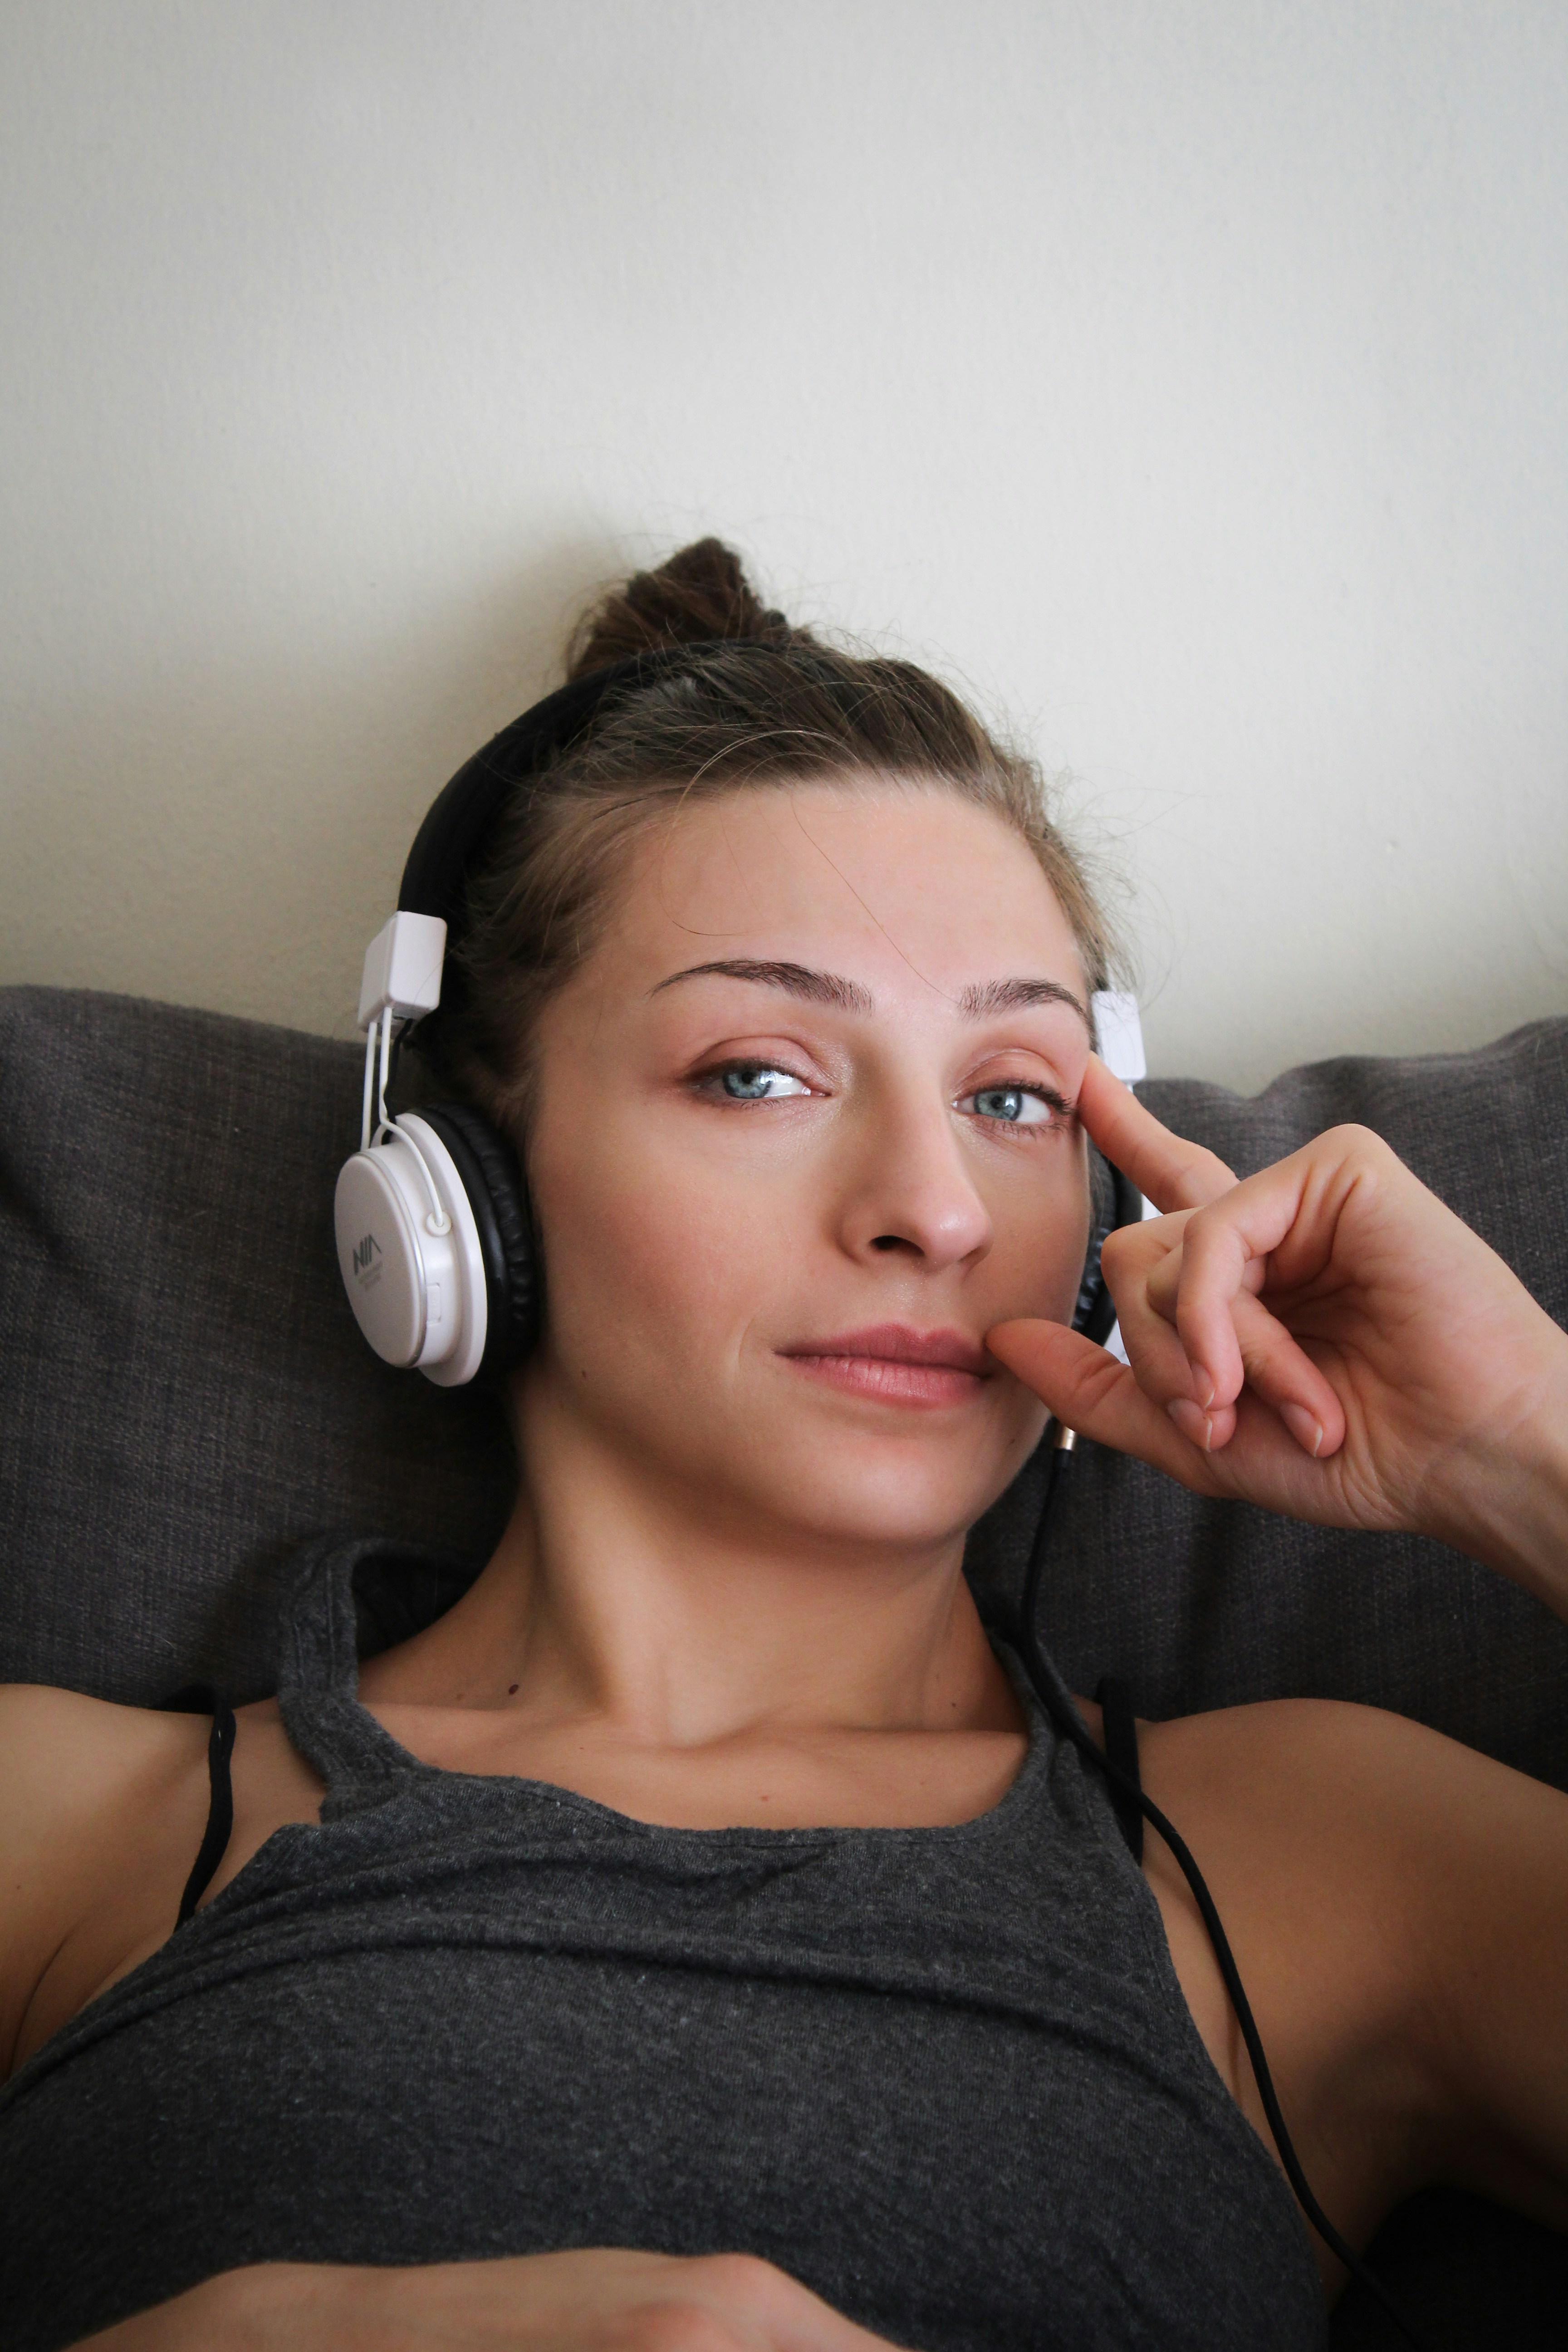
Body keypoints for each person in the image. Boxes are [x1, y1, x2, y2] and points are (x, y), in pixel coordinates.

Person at [1, 541, 1564, 2352]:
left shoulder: (1322, 1853)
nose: (935, 1207)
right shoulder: (69, 1826)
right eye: (760, 1072)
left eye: (1013, 1099)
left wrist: (1523, 1443)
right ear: (455, 1196)